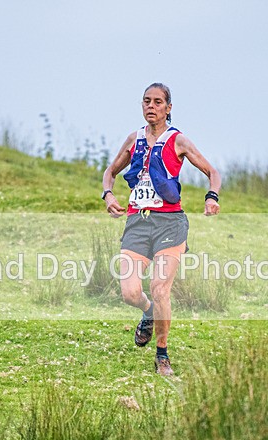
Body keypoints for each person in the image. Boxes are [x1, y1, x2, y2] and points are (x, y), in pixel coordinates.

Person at [101, 82, 221, 376]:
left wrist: (212, 197)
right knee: (130, 292)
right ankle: (148, 312)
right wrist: (108, 195)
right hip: (137, 223)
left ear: (168, 108)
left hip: (170, 223)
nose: (151, 106)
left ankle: (162, 354)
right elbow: (110, 172)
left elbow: (212, 172)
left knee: (159, 288)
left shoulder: (178, 141)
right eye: (146, 101)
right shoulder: (134, 139)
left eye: (157, 102)